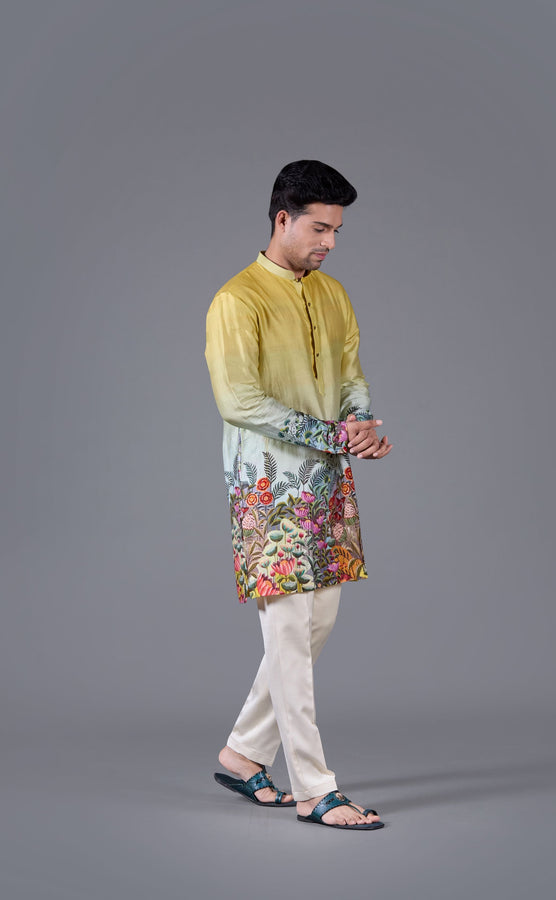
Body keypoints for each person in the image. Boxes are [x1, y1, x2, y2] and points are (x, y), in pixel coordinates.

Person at [205, 160, 392, 830]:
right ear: (282, 219)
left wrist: (360, 424)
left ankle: (243, 752)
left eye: (336, 230)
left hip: (327, 482)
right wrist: (331, 435)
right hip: (268, 489)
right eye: (319, 228)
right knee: (288, 632)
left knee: (316, 624)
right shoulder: (237, 300)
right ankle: (315, 788)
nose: (330, 242)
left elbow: (350, 372)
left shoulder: (333, 294)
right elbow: (239, 400)